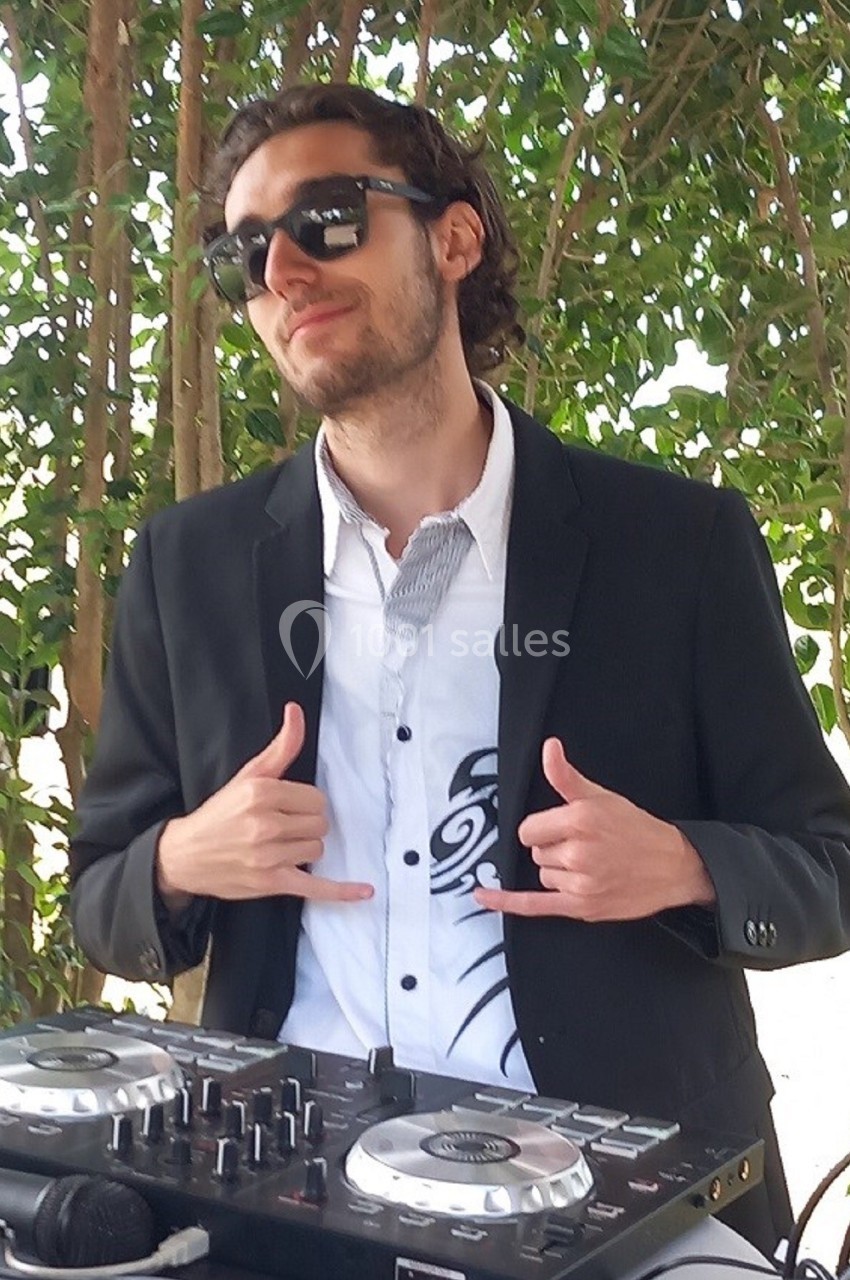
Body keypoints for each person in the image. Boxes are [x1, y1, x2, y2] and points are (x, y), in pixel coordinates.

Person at [68, 82, 850, 1260]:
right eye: (245, 250)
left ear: (452, 236)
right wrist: (185, 858)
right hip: (282, 1198)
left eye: (326, 217)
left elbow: (827, 864)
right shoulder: (190, 563)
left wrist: (687, 864)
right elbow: (101, 894)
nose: (280, 271)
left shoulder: (674, 545)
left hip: (621, 1202)